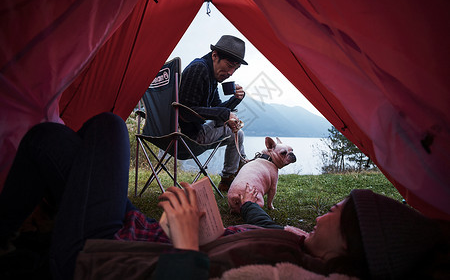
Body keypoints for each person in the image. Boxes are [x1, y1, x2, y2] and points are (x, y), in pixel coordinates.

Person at [0, 113, 447, 279]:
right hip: (140, 234)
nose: (330, 208)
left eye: (340, 211)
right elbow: (260, 218)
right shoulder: (302, 244)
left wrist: (187, 244)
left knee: (108, 128)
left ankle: (39, 238)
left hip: (102, 257)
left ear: (351, 245)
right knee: (52, 142)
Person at [179, 35, 248, 192]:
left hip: (189, 133)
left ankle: (238, 171)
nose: (231, 73)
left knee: (235, 129)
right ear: (215, 55)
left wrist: (236, 99)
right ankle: (230, 178)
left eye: (235, 69)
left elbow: (217, 108)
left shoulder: (211, 76)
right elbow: (185, 111)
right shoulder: (199, 69)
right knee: (238, 133)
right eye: (229, 65)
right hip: (187, 136)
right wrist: (225, 115)